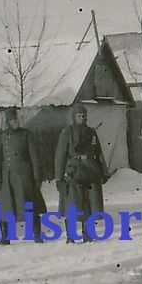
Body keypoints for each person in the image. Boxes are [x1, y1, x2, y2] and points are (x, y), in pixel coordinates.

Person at [0, 108, 47, 244]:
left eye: (16, 119)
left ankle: (36, 234)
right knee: (6, 208)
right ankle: (6, 236)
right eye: (11, 120)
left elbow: (35, 157)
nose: (14, 122)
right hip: (7, 178)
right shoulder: (2, 137)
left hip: (24, 177)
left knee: (29, 205)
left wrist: (37, 176)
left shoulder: (26, 135)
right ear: (7, 122)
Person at [54, 103, 107, 243]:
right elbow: (60, 156)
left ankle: (88, 234)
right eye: (79, 116)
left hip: (90, 171)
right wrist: (59, 178)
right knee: (72, 205)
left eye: (84, 116)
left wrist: (103, 171)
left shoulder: (91, 132)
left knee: (89, 204)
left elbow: (98, 153)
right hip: (73, 172)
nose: (82, 118)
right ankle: (71, 235)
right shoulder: (67, 132)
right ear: (73, 117)